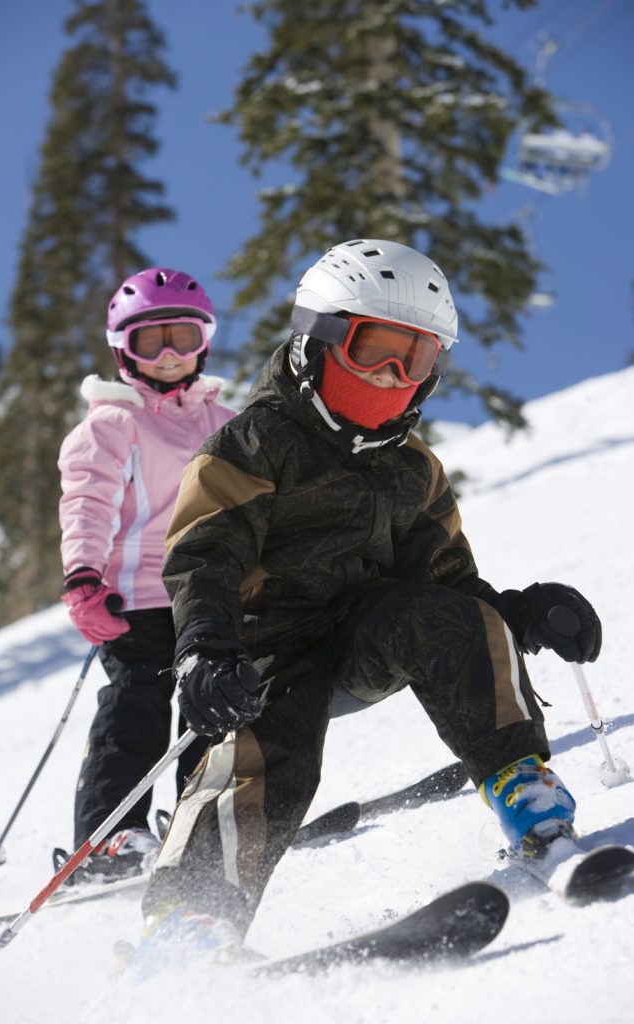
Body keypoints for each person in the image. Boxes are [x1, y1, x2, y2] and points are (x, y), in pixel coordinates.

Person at [138, 240, 601, 956]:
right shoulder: (255, 442)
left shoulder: (412, 468)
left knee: (451, 619)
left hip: (363, 636)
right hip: (265, 650)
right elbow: (205, 550)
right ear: (317, 340)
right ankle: (187, 923)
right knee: (268, 748)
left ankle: (533, 809)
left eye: (413, 361)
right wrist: (204, 641)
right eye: (373, 349)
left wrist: (521, 614)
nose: (391, 376)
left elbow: (446, 585)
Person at [58, 268, 234, 880]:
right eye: (149, 341)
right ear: (121, 350)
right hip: (137, 596)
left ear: (203, 343)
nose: (167, 356)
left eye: (181, 338)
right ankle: (110, 834)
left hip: (212, 591)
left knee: (214, 702)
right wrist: (83, 576)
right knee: (138, 703)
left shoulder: (225, 421)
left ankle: (200, 818)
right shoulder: (113, 423)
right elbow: (87, 500)